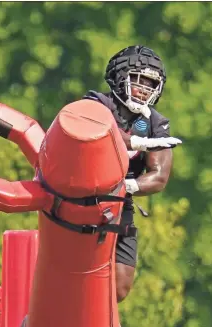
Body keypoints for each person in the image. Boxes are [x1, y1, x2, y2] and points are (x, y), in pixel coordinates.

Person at [82, 45, 182, 303]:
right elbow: (100, 134)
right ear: (120, 77)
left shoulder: (155, 123)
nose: (145, 89)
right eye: (139, 81)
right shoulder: (97, 104)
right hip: (82, 193)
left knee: (120, 288)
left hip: (119, 199)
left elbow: (159, 176)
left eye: (152, 84)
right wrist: (136, 143)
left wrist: (127, 187)